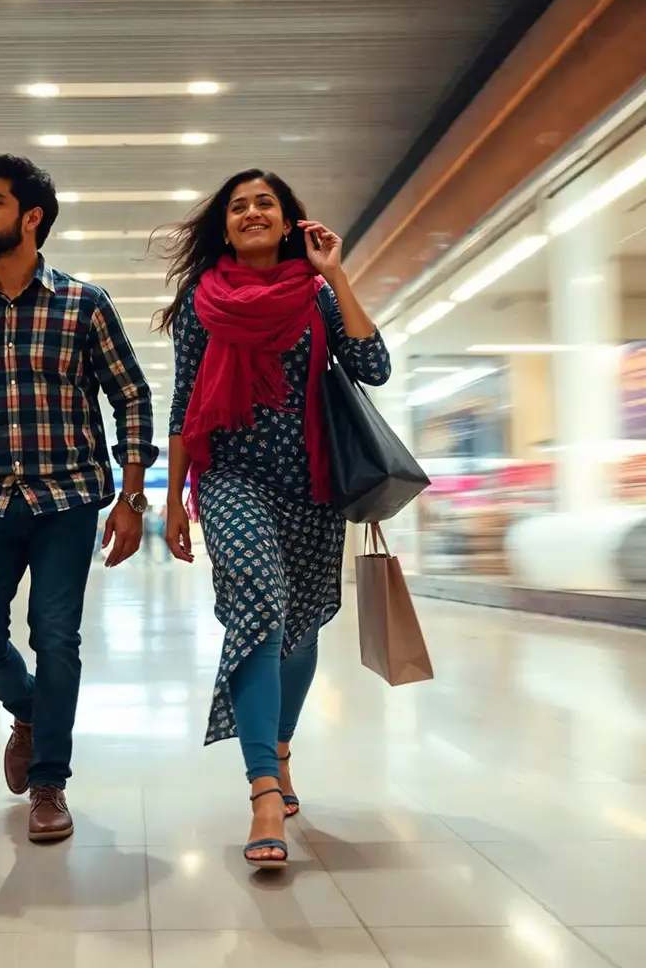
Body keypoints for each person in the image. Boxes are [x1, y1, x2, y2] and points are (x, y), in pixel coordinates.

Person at [0, 152, 157, 843]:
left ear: (31, 218)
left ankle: (49, 780)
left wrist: (132, 499)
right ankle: (29, 711)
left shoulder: (84, 304)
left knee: (56, 637)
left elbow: (131, 396)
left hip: (68, 499)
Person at [160, 170, 391, 868]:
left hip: (313, 484)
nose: (252, 212)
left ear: (289, 222)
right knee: (260, 605)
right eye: (239, 206)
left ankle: (281, 748)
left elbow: (373, 365)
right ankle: (263, 787)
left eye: (266, 203)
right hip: (230, 479)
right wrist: (173, 501)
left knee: (302, 624)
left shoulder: (317, 294)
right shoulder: (201, 302)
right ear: (226, 227)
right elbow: (183, 406)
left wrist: (336, 273)